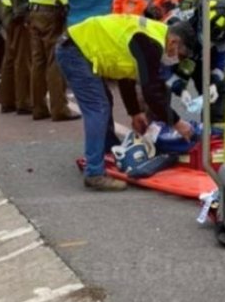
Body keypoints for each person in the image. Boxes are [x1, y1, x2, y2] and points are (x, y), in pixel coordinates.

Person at [56, 14, 198, 191]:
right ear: (174, 43)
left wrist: (135, 112)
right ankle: (94, 173)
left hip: (77, 46)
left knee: (103, 101)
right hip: (75, 51)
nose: (178, 60)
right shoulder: (150, 44)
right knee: (98, 108)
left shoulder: (154, 36)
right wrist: (178, 123)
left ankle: (107, 149)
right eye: (181, 55)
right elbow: (152, 94)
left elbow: (125, 75)